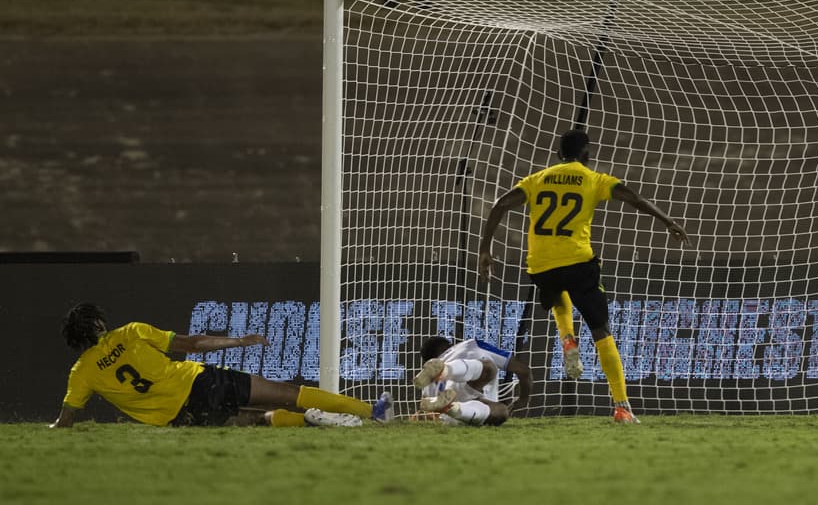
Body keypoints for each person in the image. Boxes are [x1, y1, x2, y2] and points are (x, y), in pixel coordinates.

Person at [478, 129, 688, 424]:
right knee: (601, 331)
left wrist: (485, 250)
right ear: (587, 155)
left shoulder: (537, 179)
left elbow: (500, 204)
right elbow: (634, 198)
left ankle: (567, 339)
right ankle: (621, 406)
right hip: (578, 261)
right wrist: (668, 222)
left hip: (541, 264)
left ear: (557, 155)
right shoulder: (593, 179)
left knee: (556, 295)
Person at [50, 302, 395, 428]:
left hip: (179, 417)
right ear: (97, 325)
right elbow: (193, 344)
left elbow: (65, 420)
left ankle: (311, 421)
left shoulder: (81, 373)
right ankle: (372, 412)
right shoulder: (131, 332)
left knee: (257, 419)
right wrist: (239, 341)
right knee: (287, 393)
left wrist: (55, 427)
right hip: (200, 382)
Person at [413, 336, 533, 426]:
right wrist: (523, 399)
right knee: (490, 369)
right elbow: (524, 371)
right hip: (472, 409)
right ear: (450, 345)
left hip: (454, 418)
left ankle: (451, 407)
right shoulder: (471, 344)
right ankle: (446, 371)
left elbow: (426, 411)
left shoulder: (427, 384)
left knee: (502, 411)